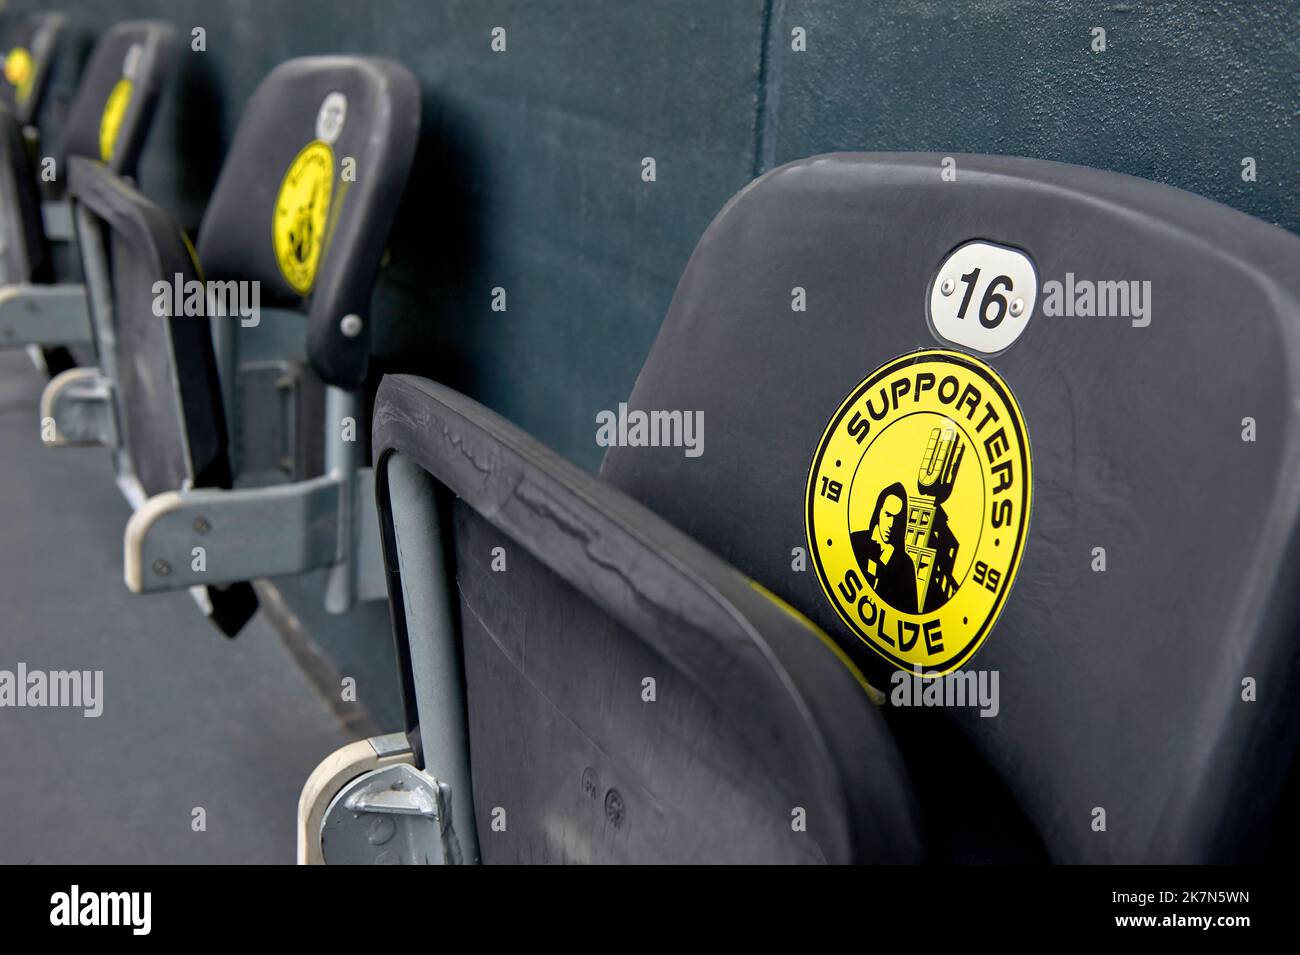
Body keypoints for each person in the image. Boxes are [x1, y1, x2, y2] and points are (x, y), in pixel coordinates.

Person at [850, 482, 919, 614]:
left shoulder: (905, 565)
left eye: (897, 518)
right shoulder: (856, 541)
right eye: (888, 515)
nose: (891, 524)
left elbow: (908, 611)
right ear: (879, 512)